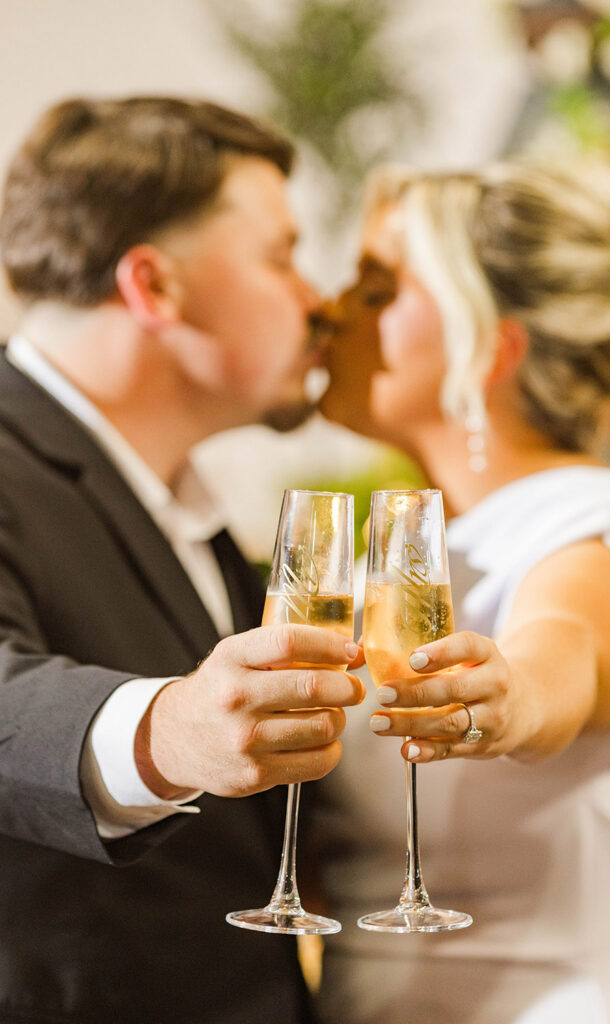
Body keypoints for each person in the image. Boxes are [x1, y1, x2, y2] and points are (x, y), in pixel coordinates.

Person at [0, 95, 365, 1024]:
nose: (318, 299)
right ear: (154, 287)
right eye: (281, 256)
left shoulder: (200, 514)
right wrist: (171, 732)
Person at [315, 164, 610, 1023]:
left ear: (489, 346)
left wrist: (508, 698)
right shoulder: (432, 548)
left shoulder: (600, 535)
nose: (332, 310)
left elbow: (563, 649)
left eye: (376, 291)